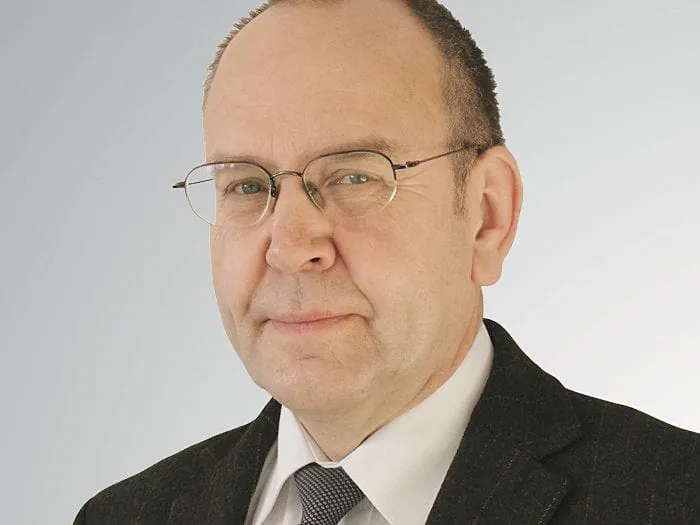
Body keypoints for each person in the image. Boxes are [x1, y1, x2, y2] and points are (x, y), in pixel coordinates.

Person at [73, 0, 700, 523]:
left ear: (487, 216)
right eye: (247, 185)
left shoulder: (673, 498)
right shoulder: (124, 515)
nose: (290, 247)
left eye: (354, 176)